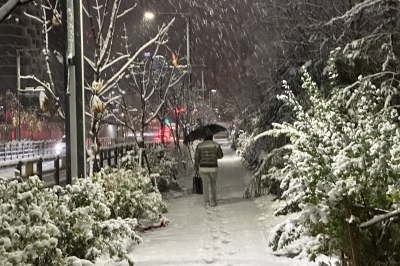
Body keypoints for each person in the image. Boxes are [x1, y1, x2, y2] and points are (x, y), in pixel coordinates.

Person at [194, 134, 224, 208]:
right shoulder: (216, 145)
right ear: (211, 137)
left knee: (205, 185)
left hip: (203, 168)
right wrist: (215, 154)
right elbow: (220, 156)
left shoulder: (199, 145)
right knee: (213, 184)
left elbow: (197, 158)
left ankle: (206, 202)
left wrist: (196, 168)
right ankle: (213, 201)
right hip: (213, 167)